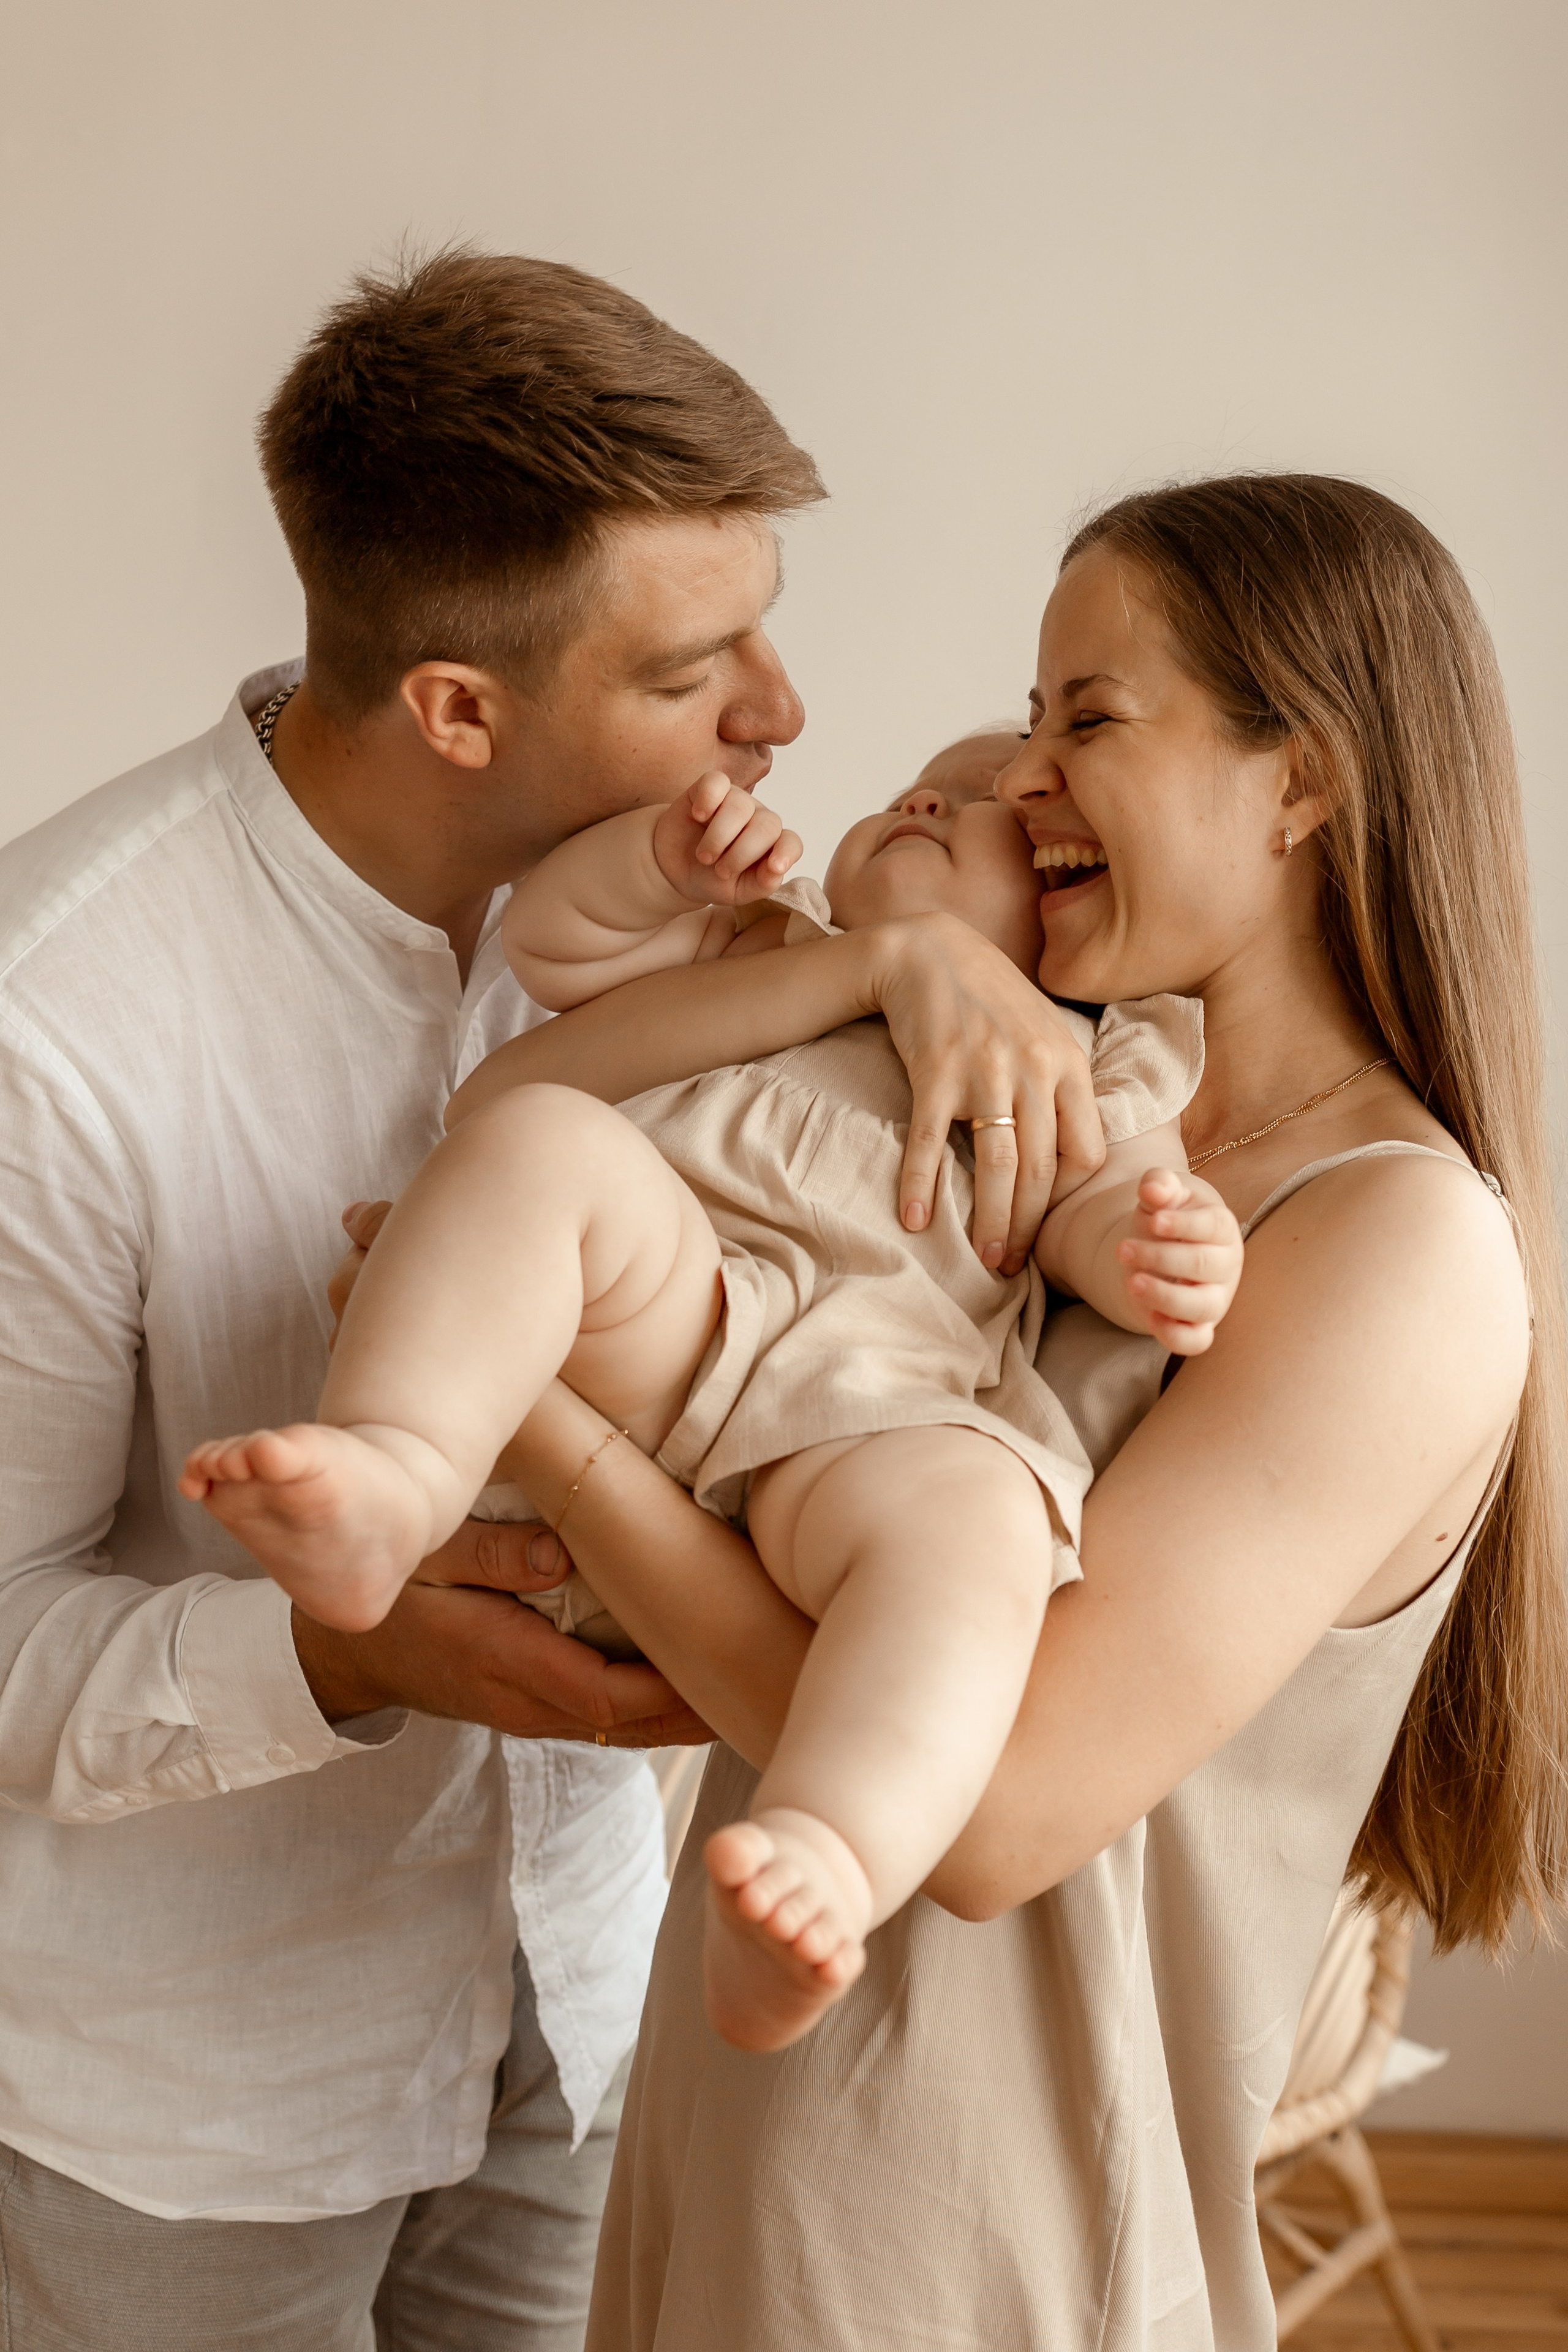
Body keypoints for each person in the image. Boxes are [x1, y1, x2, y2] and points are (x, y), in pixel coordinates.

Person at [341, 473, 1559, 2350]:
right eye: (1029, 710)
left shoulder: (1397, 1246)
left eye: (1092, 719)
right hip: (754, 2089)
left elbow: (988, 1823)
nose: (1024, 775)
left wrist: (556, 1434)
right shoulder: (1038, 1091)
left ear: (1301, 781)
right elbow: (543, 1128)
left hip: (975, 2221)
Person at [0, 246, 843, 2351]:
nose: (777, 714)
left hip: (581, 2000)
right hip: (186, 2116)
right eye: (696, 669)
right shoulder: (50, 1033)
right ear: (459, 708)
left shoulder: (685, 927)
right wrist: (346, 1655)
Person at [181, 733, 1243, 2051]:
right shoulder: (765, 941)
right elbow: (556, 944)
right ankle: (396, 1475)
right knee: (541, 1141)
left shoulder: (1082, 1048)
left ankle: (827, 1858)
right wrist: (659, 861)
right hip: (672, 1311)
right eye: (921, 784)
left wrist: (1162, 1252)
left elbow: (1096, 1207)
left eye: (990, 816)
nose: (934, 797)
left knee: (981, 1525)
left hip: (871, 1396)